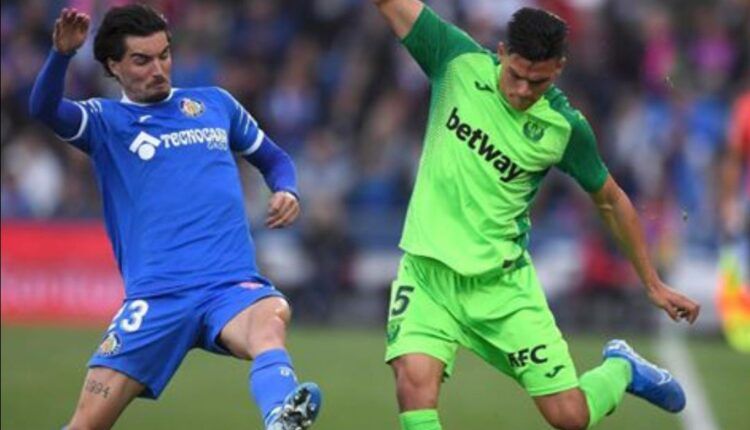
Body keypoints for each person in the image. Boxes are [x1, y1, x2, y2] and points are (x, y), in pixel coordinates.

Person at [371, 1, 701, 429]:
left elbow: (611, 201)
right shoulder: (454, 59)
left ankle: (622, 367)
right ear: (503, 51)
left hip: (502, 289)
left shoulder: (564, 128)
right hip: (428, 274)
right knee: (414, 387)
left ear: (559, 68)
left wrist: (652, 283)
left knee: (570, 417)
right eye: (516, 75)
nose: (524, 91)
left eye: (538, 82)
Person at [29, 6, 321, 430]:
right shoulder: (105, 122)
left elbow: (275, 159)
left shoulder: (215, 105)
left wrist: (286, 189)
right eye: (142, 60)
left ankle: (280, 417)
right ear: (113, 65)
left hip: (228, 286)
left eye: (164, 55)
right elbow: (44, 109)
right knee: (87, 423)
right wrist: (60, 55)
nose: (158, 68)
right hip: (157, 300)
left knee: (271, 317)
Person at [717, 90, 750, 352]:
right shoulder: (745, 107)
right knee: (739, 265)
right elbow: (734, 157)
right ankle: (740, 330)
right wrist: (729, 202)